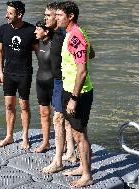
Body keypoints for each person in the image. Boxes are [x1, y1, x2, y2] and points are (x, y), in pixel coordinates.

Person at [57, 1, 94, 187]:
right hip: (70, 88)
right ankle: (83, 167)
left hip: (77, 93)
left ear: (70, 16)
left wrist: (73, 98)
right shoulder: (76, 33)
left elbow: (82, 71)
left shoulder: (75, 37)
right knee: (80, 131)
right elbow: (92, 53)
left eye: (59, 15)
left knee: (79, 135)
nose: (56, 18)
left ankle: (87, 175)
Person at [0, 1, 38, 150]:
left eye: (10, 13)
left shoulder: (31, 30)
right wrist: (0, 71)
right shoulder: (3, 29)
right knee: (9, 105)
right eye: (7, 12)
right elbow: (0, 51)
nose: (6, 15)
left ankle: (25, 137)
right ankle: (9, 136)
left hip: (24, 73)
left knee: (24, 106)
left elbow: (38, 50)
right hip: (8, 73)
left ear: (19, 14)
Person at [42, 1, 77, 174]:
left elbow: (89, 53)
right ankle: (70, 152)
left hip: (63, 81)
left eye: (49, 15)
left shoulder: (66, 34)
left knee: (58, 119)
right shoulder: (55, 33)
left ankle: (57, 161)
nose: (46, 18)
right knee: (66, 120)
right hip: (58, 81)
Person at [33, 20, 54, 153]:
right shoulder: (36, 43)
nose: (35, 31)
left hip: (54, 82)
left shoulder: (55, 44)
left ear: (46, 31)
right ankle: (45, 143)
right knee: (44, 113)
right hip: (40, 81)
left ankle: (63, 144)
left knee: (59, 116)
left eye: (38, 29)